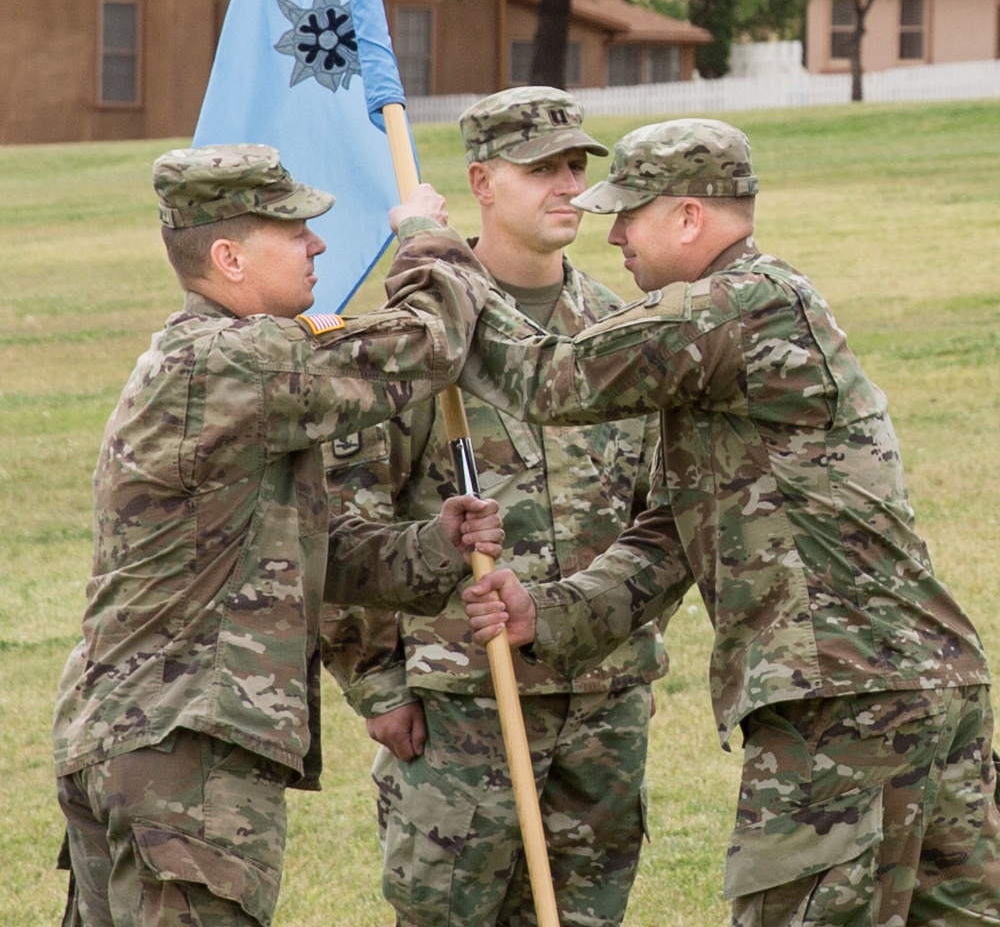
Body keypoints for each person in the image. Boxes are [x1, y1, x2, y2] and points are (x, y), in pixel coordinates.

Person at [393, 117, 1000, 926]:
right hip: (914, 685)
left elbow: (550, 376)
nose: (612, 239)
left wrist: (435, 252)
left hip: (845, 703)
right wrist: (553, 612)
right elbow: (666, 538)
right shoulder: (724, 343)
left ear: (687, 217)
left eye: (628, 215)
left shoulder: (732, 307)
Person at [53, 143, 504, 927]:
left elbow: (300, 558)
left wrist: (433, 544)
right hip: (183, 751)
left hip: (144, 740)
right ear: (227, 256)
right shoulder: (233, 363)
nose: (319, 243)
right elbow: (429, 343)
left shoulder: (210, 369)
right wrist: (429, 239)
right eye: (293, 228)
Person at [322, 87, 666, 927]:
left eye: (577, 165)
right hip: (459, 705)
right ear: (480, 179)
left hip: (602, 700)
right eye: (539, 168)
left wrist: (632, 655)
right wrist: (377, 686)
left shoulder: (620, 332)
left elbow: (658, 515)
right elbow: (339, 528)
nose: (568, 186)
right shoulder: (418, 342)